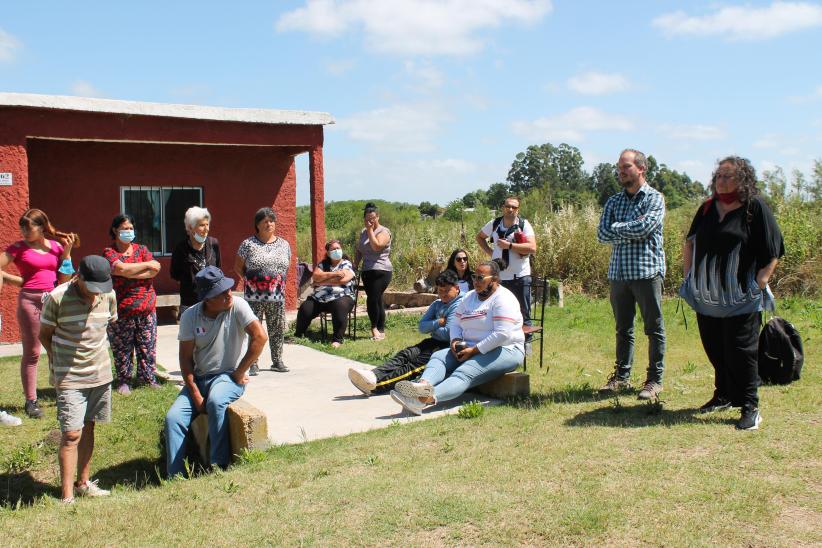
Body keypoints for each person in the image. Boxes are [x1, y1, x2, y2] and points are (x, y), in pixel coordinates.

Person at [680, 157, 784, 430]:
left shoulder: (754, 208)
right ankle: (723, 394)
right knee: (715, 347)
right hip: (707, 297)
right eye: (719, 176)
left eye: (729, 176)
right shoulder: (706, 208)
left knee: (742, 351)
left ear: (743, 179)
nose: (722, 180)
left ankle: (750, 406)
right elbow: (689, 243)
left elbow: (773, 250)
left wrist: (759, 284)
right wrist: (688, 278)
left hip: (741, 297)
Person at [164, 266, 267, 477]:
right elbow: (185, 359)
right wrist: (194, 393)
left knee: (216, 401)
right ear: (207, 299)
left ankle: (218, 465)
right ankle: (174, 476)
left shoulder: (238, 306)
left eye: (228, 288)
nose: (229, 293)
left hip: (226, 377)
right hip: (199, 379)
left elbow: (260, 337)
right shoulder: (190, 316)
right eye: (221, 292)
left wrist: (240, 371)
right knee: (173, 418)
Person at [390, 260, 524, 415]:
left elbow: (502, 334)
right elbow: (456, 324)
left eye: (481, 278)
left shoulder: (503, 299)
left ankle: (422, 401)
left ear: (494, 280)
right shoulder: (469, 297)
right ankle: (422, 386)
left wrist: (474, 350)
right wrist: (454, 341)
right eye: (474, 277)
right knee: (439, 357)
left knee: (465, 372)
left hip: (505, 348)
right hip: (470, 347)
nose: (476, 281)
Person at [38, 255, 117, 503]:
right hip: (70, 377)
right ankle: (67, 496)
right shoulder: (57, 297)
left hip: (100, 374)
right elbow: (45, 335)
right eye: (92, 287)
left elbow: (108, 325)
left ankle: (83, 482)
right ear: (78, 277)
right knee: (72, 434)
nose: (96, 294)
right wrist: (58, 360)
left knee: (90, 426)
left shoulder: (109, 295)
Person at [596, 149, 666, 400]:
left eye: (625, 167)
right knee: (623, 329)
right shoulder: (614, 201)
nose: (621, 171)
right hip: (619, 274)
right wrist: (629, 229)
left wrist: (618, 228)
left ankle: (654, 381)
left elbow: (646, 227)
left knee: (653, 328)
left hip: (647, 273)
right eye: (619, 167)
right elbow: (601, 234)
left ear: (641, 169)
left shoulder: (654, 198)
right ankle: (621, 377)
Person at [0, 208, 78, 419]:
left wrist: (67, 252)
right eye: (21, 227)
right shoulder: (17, 248)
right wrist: (11, 279)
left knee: (59, 348)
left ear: (42, 227)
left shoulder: (56, 247)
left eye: (29, 227)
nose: (24, 231)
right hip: (30, 302)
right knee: (33, 352)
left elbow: (64, 279)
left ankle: (64, 392)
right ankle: (31, 401)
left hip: (54, 301)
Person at [348, 270, 463, 396]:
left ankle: (375, 386)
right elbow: (421, 327)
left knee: (412, 367)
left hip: (444, 346)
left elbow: (447, 334)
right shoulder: (437, 304)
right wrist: (438, 323)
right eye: (440, 291)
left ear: (456, 288)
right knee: (405, 354)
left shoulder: (459, 305)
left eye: (446, 290)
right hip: (432, 341)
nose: (443, 294)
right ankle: (372, 375)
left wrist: (431, 327)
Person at [104, 214, 162, 395]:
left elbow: (156, 269)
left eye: (131, 228)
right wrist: (144, 268)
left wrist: (129, 273)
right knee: (123, 348)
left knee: (147, 345)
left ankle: (147, 378)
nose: (129, 232)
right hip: (122, 310)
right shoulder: (109, 252)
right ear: (115, 230)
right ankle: (124, 381)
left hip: (147, 308)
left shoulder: (142, 249)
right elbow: (119, 268)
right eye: (124, 228)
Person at [235, 207, 291, 374]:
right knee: (254, 329)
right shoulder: (248, 244)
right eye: (265, 221)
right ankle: (252, 362)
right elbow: (238, 266)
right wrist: (250, 281)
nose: (269, 224)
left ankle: (277, 360)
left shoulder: (284, 244)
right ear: (257, 224)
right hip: (254, 296)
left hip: (277, 295)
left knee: (277, 329)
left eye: (271, 221)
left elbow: (286, 268)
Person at [476, 195, 536, 337]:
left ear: (518, 209)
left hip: (520, 275)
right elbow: (479, 237)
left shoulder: (523, 224)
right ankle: (503, 339)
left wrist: (509, 245)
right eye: (508, 206)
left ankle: (526, 342)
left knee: (524, 310)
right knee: (500, 309)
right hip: (499, 276)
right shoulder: (495, 223)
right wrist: (490, 252)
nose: (510, 209)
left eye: (514, 207)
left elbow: (532, 247)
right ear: (503, 208)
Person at [293, 240, 356, 348]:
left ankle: (337, 339)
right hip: (321, 297)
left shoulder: (346, 263)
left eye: (338, 248)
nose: (337, 251)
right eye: (333, 249)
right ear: (328, 253)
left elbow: (344, 279)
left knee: (339, 305)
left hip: (342, 295)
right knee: (306, 307)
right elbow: (316, 276)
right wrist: (335, 274)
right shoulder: (323, 264)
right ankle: (299, 334)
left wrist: (322, 281)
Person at [170, 206, 221, 318]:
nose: (206, 229)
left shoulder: (213, 244)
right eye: (201, 225)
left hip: (212, 301)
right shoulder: (181, 249)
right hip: (189, 303)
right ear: (190, 227)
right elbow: (175, 274)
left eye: (207, 224)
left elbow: (218, 269)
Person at [354, 202, 392, 340]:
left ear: (378, 217)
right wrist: (355, 264)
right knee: (377, 300)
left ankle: (374, 328)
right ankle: (381, 329)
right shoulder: (363, 233)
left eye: (373, 218)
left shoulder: (384, 231)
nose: (370, 221)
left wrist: (370, 230)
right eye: (367, 219)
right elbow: (359, 249)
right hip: (367, 270)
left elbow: (376, 247)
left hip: (381, 270)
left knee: (372, 299)